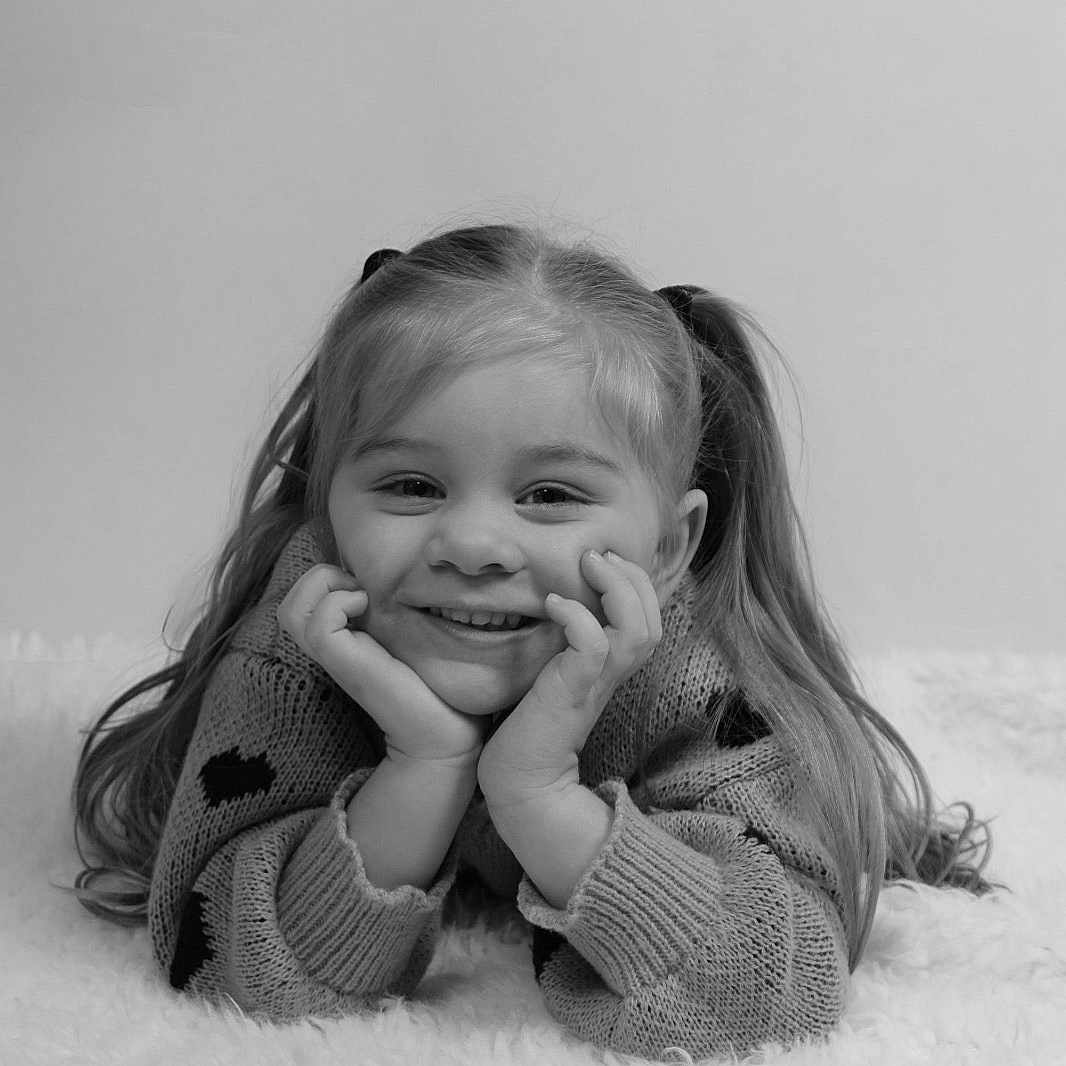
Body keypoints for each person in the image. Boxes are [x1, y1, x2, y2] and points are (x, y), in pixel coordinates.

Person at [72, 222, 991, 1059]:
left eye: (549, 495)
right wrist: (422, 765)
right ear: (328, 508)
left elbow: (771, 996)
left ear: (668, 548)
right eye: (410, 486)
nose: (472, 545)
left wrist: (537, 790)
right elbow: (223, 964)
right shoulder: (311, 631)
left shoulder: (698, 679)